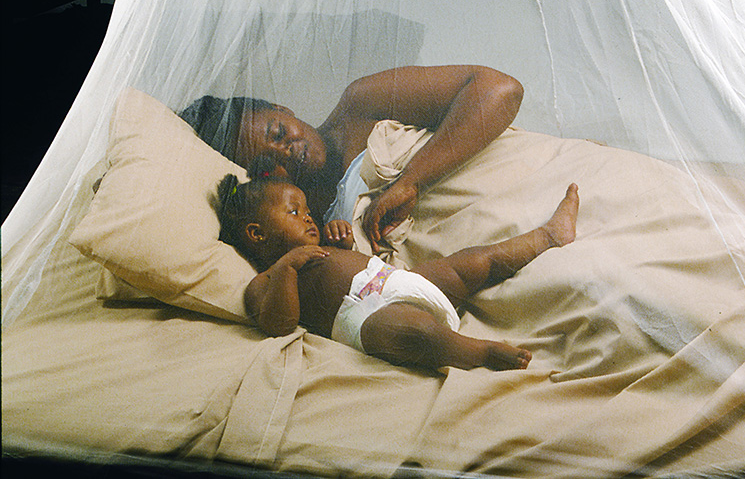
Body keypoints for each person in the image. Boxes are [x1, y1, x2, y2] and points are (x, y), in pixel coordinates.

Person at [216, 167, 580, 372]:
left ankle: (547, 236)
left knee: (471, 263)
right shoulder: (265, 280)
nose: (309, 217)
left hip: (390, 278)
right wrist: (286, 270)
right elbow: (279, 324)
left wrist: (342, 242)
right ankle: (479, 352)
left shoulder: (319, 244)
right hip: (364, 316)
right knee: (418, 332)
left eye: (308, 210)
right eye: (294, 212)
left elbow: (344, 265)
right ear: (257, 234)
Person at [180, 65, 524, 251]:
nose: (288, 151)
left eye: (279, 133)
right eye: (270, 162)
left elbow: (500, 90)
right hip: (490, 249)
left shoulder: (361, 105)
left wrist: (411, 183)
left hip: (518, 184)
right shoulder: (304, 227)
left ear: (284, 109)